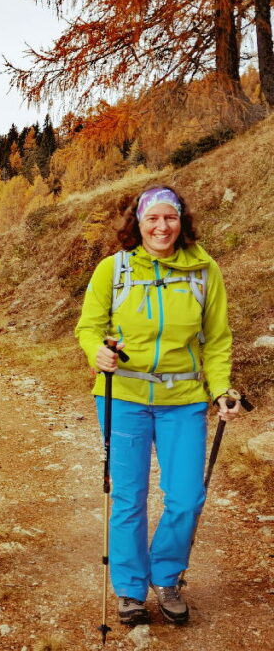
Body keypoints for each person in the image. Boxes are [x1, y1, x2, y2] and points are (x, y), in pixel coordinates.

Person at [75, 185, 245, 626]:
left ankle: (166, 576)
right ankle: (130, 589)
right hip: (124, 396)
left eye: (170, 218)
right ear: (139, 223)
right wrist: (97, 351)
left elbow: (218, 339)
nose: (161, 226)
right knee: (129, 497)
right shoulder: (113, 270)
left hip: (183, 400)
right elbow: (88, 327)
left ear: (181, 222)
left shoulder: (205, 272)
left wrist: (221, 388)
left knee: (187, 497)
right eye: (153, 218)